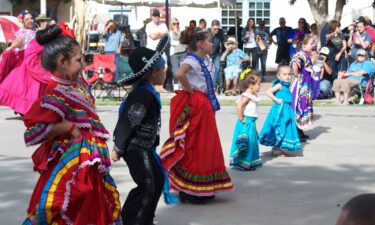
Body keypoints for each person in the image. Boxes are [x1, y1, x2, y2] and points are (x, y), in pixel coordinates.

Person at [21, 25, 121, 224]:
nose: (83, 65)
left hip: (88, 163)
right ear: (62, 62)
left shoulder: (75, 84)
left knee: (89, 208)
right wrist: (69, 128)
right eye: (78, 60)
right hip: (71, 163)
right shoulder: (55, 93)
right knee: (69, 208)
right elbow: (32, 134)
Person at [160, 29, 234, 204]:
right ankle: (191, 190)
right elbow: (179, 73)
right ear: (200, 43)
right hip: (197, 103)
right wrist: (191, 90)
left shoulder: (202, 60)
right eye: (209, 41)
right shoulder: (192, 59)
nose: (212, 44)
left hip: (202, 104)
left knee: (203, 144)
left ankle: (198, 188)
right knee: (196, 144)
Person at [111, 34, 177, 225]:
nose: (166, 72)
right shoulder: (142, 95)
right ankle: (132, 221)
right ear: (153, 73)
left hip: (146, 147)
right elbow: (128, 122)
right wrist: (119, 147)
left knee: (155, 182)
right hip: (136, 147)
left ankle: (146, 218)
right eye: (163, 69)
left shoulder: (147, 92)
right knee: (147, 186)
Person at [259, 61, 302, 156]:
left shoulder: (287, 86)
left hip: (287, 109)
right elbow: (268, 92)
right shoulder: (280, 85)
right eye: (284, 74)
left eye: (289, 74)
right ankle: (276, 148)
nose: (287, 76)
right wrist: (276, 99)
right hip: (279, 110)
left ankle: (280, 147)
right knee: (279, 126)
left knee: (286, 127)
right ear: (279, 76)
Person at [229, 71, 262, 170]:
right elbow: (239, 106)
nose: (260, 87)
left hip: (250, 123)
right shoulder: (247, 96)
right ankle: (243, 163)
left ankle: (248, 162)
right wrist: (241, 118)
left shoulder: (250, 95)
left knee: (251, 142)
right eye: (258, 85)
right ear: (251, 85)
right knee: (246, 143)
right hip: (246, 123)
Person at [290, 34, 317, 142]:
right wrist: (297, 74)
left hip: (306, 84)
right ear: (304, 45)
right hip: (300, 85)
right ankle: (296, 131)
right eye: (311, 43)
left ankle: (299, 130)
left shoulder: (306, 54)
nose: (313, 45)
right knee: (299, 106)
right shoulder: (301, 54)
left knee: (303, 105)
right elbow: (295, 62)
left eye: (314, 43)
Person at [209, 19, 225, 90]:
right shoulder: (207, 32)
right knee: (207, 70)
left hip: (217, 53)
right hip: (207, 54)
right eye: (214, 29)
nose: (216, 31)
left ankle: (213, 86)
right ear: (211, 27)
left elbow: (224, 41)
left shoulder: (221, 32)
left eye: (217, 29)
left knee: (217, 68)